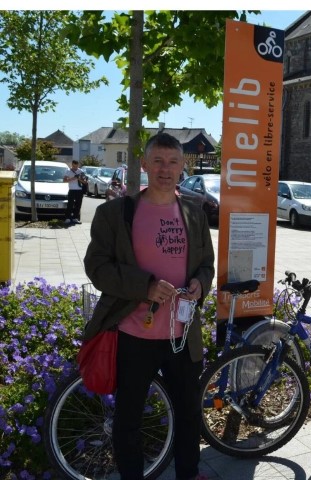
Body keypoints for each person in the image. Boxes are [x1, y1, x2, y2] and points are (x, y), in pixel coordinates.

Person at [84, 132, 215, 480]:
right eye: (157, 161)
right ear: (143, 164)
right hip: (132, 334)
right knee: (128, 419)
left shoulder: (194, 211)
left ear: (182, 167)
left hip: (182, 335)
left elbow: (207, 263)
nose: (165, 169)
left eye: (173, 162)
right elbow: (97, 267)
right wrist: (146, 287)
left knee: (188, 413)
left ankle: (189, 474)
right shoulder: (116, 214)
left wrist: (201, 283)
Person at [63, 159, 87, 224]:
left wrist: (79, 178)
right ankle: (67, 218)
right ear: (72, 165)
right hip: (72, 190)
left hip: (79, 190)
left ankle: (75, 218)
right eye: (73, 166)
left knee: (78, 205)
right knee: (70, 204)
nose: (75, 168)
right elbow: (64, 180)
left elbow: (85, 182)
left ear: (78, 165)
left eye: (76, 166)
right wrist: (73, 178)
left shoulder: (81, 171)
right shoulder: (68, 171)